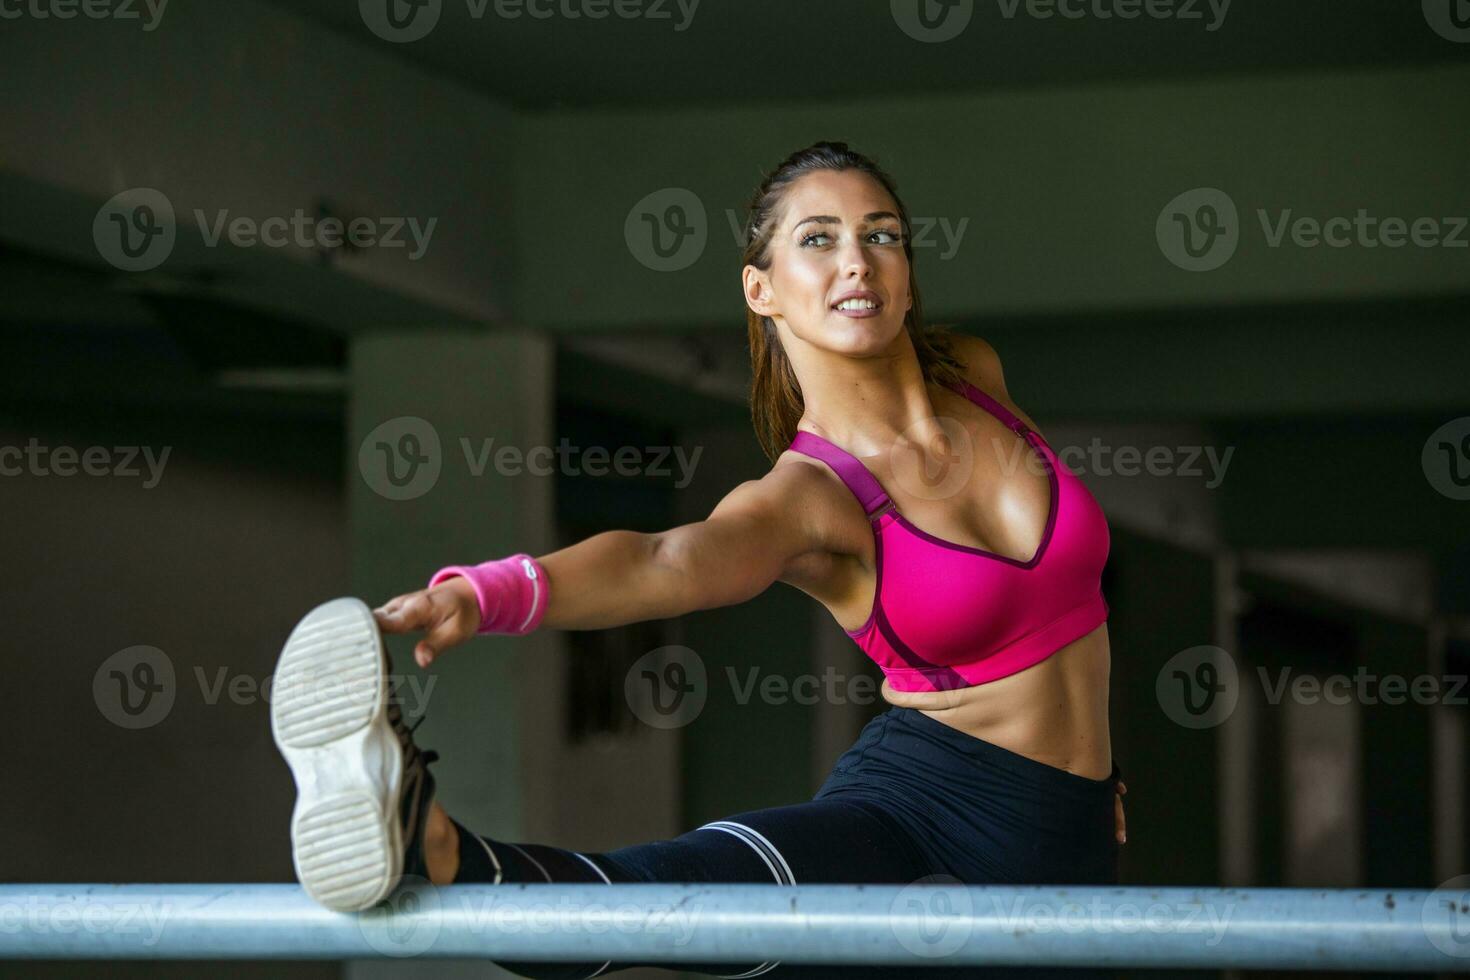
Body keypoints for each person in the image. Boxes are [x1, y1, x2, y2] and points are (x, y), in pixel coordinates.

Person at [271, 141, 1127, 979]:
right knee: (690, 896)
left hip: (1070, 825)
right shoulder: (809, 498)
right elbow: (662, 560)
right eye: (818, 239)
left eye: (882, 234)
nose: (857, 262)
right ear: (763, 289)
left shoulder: (978, 376)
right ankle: (438, 844)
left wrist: (1094, 774)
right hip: (920, 805)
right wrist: (490, 593)